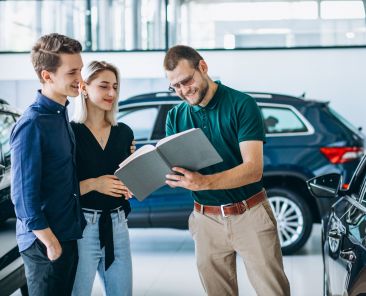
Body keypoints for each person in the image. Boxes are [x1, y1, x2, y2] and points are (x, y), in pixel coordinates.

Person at [163, 45, 291, 296]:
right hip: (205, 220)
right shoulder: (175, 116)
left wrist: (204, 182)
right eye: (175, 86)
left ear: (203, 67)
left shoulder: (242, 105)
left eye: (186, 81)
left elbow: (253, 169)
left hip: (250, 213)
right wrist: (174, 178)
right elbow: (176, 170)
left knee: (272, 291)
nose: (183, 91)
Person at [10, 33, 86, 296]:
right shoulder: (32, 123)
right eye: (72, 72)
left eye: (81, 69)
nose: (80, 78)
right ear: (47, 75)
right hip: (46, 242)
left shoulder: (60, 113)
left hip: (65, 233)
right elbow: (22, 196)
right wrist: (51, 242)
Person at [71, 61, 134, 296]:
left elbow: (126, 180)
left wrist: (133, 180)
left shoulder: (124, 132)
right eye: (104, 86)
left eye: (115, 87)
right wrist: (95, 184)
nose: (112, 93)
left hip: (118, 225)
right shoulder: (70, 133)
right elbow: (59, 188)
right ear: (84, 88)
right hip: (82, 227)